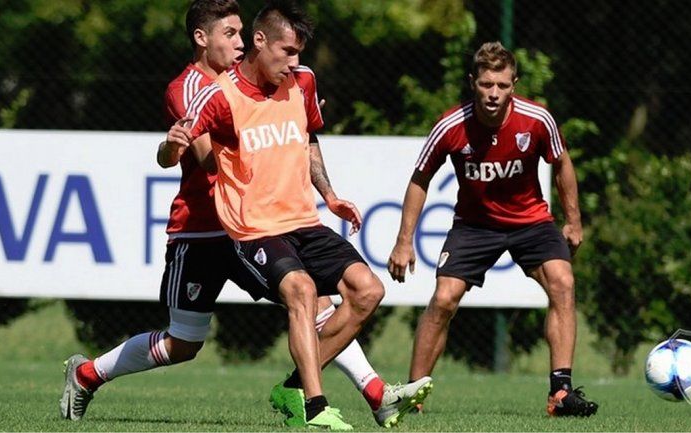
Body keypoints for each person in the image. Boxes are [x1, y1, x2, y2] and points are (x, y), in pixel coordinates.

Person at [59, 1, 429, 428]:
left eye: (240, 33)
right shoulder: (192, 90)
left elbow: (298, 133)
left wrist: (296, 141)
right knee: (185, 342)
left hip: (254, 227)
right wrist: (260, 134)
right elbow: (206, 160)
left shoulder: (284, 82)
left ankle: (367, 394)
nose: (237, 43)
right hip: (201, 232)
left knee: (313, 300)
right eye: (229, 34)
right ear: (202, 38)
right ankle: (87, 374)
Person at [184, 1, 431, 429]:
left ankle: (294, 385)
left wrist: (330, 195)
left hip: (304, 220)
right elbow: (177, 151)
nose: (295, 62)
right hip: (254, 228)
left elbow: (309, 136)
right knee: (300, 291)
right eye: (287, 51)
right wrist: (172, 146)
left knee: (368, 291)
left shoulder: (303, 82)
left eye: (299, 52)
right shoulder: (220, 96)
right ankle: (315, 409)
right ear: (259, 42)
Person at [387, 41, 598, 417]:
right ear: (473, 82)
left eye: (501, 85)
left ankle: (561, 393)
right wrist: (404, 242)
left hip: (531, 221)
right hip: (474, 225)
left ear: (513, 84)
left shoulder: (537, 119)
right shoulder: (451, 125)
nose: (493, 94)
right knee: (443, 299)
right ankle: (411, 396)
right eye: (486, 84)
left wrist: (573, 221)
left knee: (563, 282)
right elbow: (420, 179)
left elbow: (563, 164)